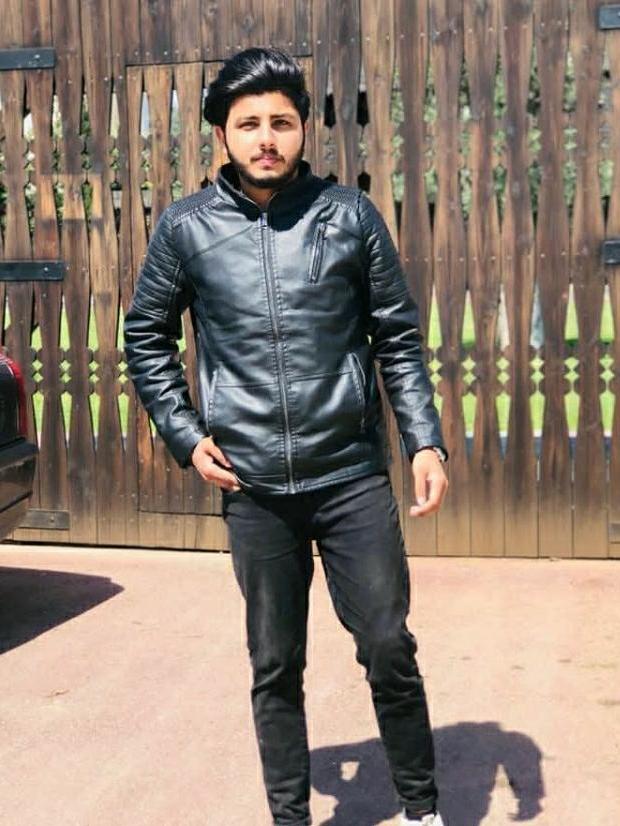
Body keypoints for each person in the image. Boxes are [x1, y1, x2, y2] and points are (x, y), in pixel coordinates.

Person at [124, 46, 449, 826]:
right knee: (275, 663)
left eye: (281, 122)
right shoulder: (186, 229)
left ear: (303, 128)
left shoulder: (349, 216)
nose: (266, 138)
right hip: (254, 485)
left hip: (350, 475)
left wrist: (424, 441)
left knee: (388, 645)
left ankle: (422, 809)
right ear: (223, 135)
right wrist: (185, 433)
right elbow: (146, 337)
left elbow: (398, 337)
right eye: (249, 124)